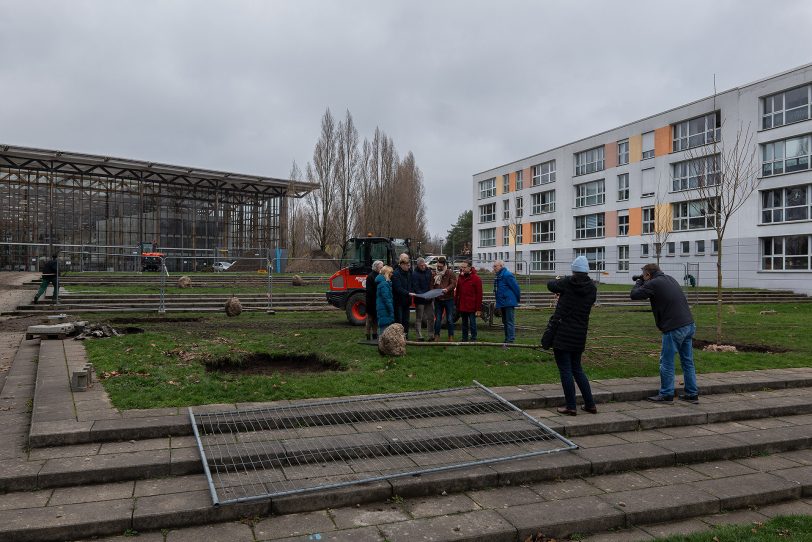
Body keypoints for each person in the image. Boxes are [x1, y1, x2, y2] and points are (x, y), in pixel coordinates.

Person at [631, 263, 699, 403]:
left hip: (674, 327)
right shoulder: (670, 278)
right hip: (689, 324)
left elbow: (634, 295)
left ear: (648, 274)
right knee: (687, 361)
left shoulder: (653, 283)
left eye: (644, 275)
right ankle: (692, 394)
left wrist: (639, 282)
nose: (643, 277)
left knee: (666, 362)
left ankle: (667, 394)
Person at [546, 256, 598, 416]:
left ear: (573, 270)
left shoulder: (567, 282)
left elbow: (550, 285)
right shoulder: (592, 287)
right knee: (577, 369)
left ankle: (571, 406)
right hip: (579, 333)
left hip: (562, 332)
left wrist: (560, 282)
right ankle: (590, 404)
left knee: (565, 370)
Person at [493, 260, 521, 344]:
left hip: (508, 301)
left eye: (495, 266)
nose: (494, 268)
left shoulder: (507, 275)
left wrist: (516, 299)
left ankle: (510, 339)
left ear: (501, 266)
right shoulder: (498, 276)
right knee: (505, 321)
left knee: (509, 321)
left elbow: (516, 288)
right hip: (502, 302)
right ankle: (507, 338)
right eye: (493, 266)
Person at [454, 260, 482, 342]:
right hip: (463, 305)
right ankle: (464, 338)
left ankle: (473, 338)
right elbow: (458, 291)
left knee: (473, 323)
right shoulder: (460, 277)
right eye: (461, 267)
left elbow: (479, 294)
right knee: (464, 323)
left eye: (464, 267)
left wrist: (478, 308)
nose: (462, 269)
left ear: (469, 268)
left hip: (472, 306)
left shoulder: (476, 279)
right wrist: (456, 303)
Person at [432, 257, 457, 341]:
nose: (439, 267)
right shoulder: (434, 273)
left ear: (444, 265)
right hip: (438, 300)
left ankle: (451, 336)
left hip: (448, 299)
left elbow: (453, 284)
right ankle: (436, 335)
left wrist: (447, 289)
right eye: (438, 266)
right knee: (438, 319)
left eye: (440, 266)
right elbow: (432, 284)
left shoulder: (450, 273)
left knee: (449, 319)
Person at [411, 257, 435, 341]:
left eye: (424, 265)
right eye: (421, 265)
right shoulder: (414, 274)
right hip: (420, 299)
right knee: (419, 318)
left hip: (429, 298)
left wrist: (430, 293)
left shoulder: (428, 271)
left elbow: (431, 283)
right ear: (418, 265)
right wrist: (423, 294)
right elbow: (415, 286)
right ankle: (419, 336)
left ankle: (431, 335)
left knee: (431, 317)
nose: (423, 266)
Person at [392, 254, 413, 339]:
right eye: (407, 265)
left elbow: (410, 284)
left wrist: (411, 291)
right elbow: (398, 288)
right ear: (402, 265)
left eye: (409, 265)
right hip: (398, 301)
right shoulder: (396, 273)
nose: (408, 267)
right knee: (399, 321)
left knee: (406, 321)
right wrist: (408, 293)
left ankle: (405, 336)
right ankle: (398, 337)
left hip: (406, 301)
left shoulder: (409, 273)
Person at [365, 260, 384, 341]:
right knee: (370, 319)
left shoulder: (381, 275)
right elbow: (369, 291)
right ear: (376, 267)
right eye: (381, 267)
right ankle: (368, 334)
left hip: (377, 301)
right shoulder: (370, 276)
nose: (382, 268)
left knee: (376, 319)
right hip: (371, 301)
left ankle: (375, 334)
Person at [375, 266, 395, 336]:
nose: (392, 274)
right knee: (384, 332)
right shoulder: (384, 284)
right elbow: (387, 299)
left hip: (382, 308)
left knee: (383, 329)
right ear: (387, 273)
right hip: (385, 310)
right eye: (391, 272)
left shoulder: (383, 283)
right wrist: (391, 310)